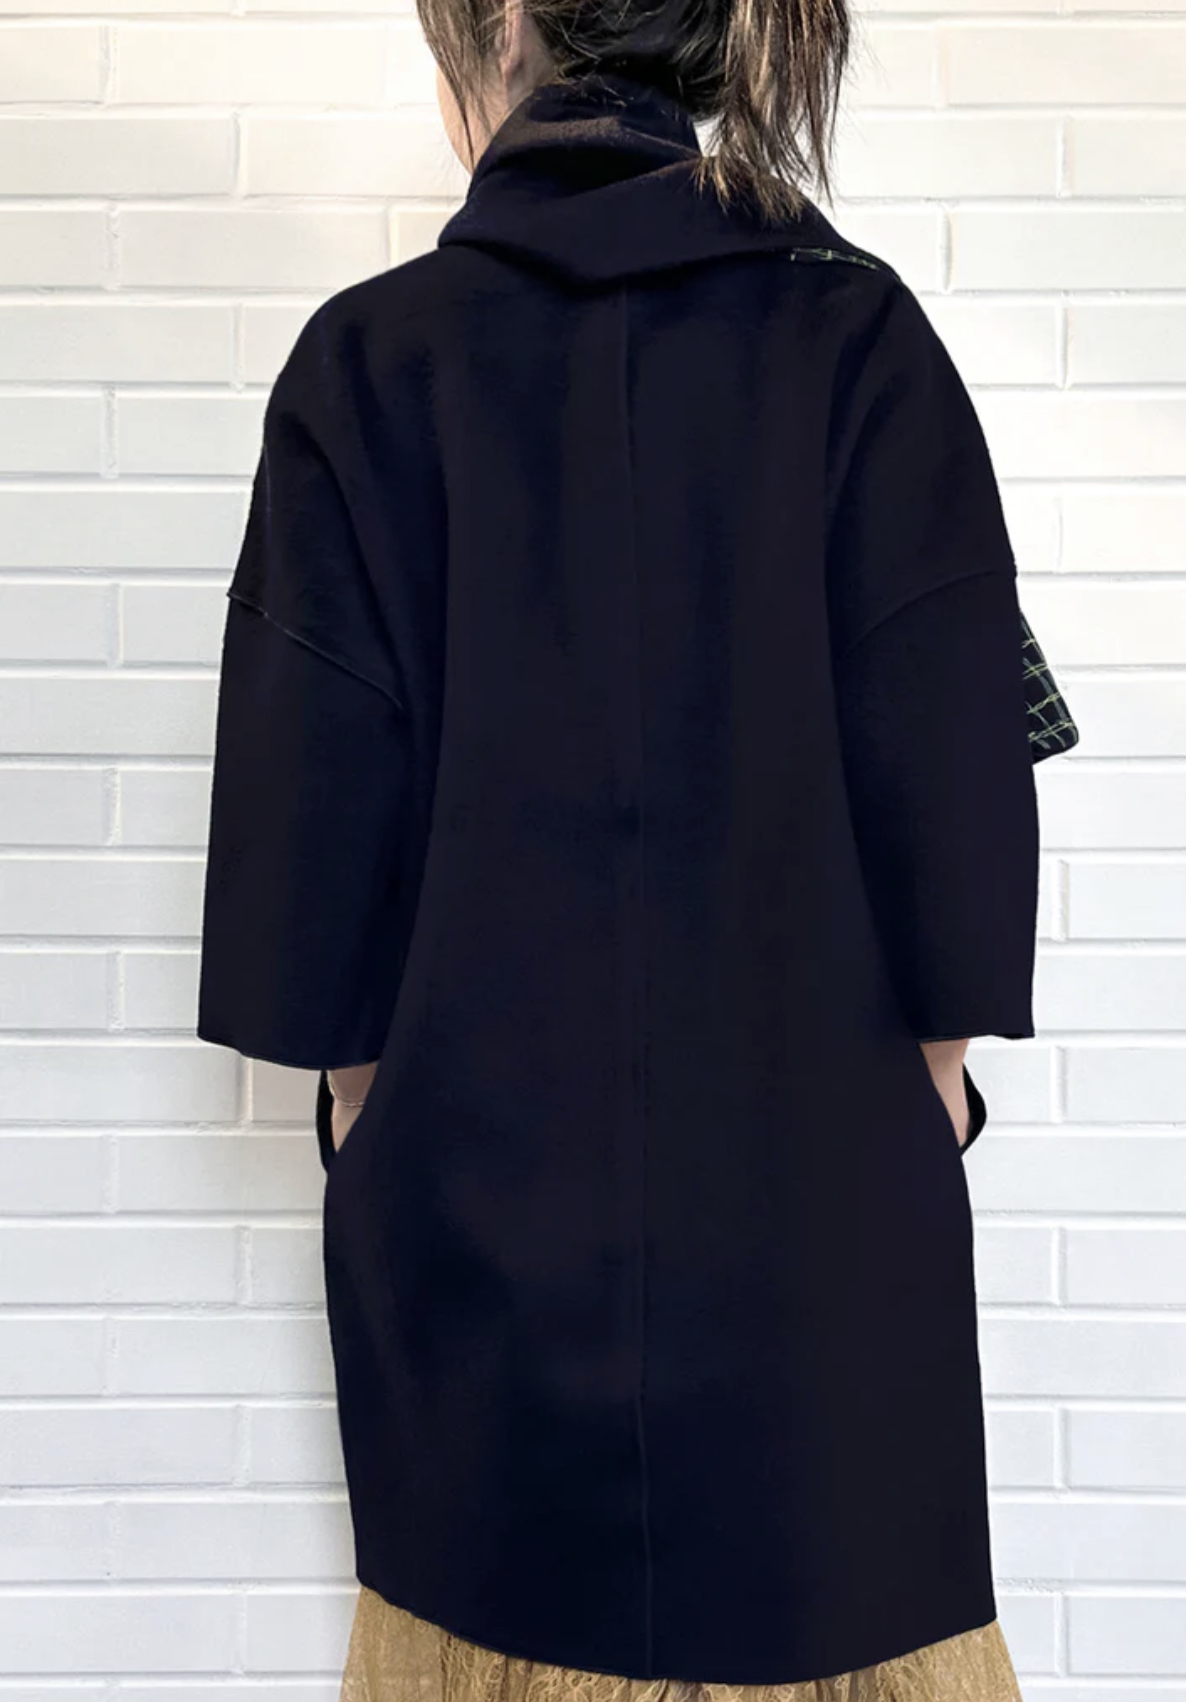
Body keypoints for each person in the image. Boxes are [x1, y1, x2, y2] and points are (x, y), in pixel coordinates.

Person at [194, 0, 1042, 1692]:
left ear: (501, 22)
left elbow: (310, 899)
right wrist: (927, 1094)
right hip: (819, 1250)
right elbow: (952, 786)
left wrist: (372, 1119)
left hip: (476, 1245)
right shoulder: (860, 338)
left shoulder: (367, 364)